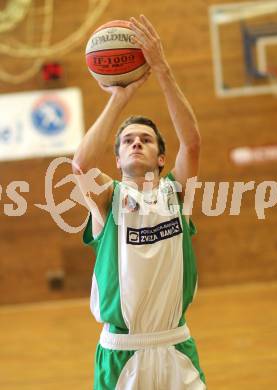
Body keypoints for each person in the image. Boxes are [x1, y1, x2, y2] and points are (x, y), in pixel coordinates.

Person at [72, 14, 206, 390]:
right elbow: (80, 164)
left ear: (162, 158)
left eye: (146, 139)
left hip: (175, 345)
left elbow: (192, 143)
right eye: (128, 140)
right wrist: (120, 96)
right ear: (116, 161)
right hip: (121, 352)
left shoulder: (176, 195)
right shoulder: (108, 198)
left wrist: (161, 68)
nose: (136, 143)